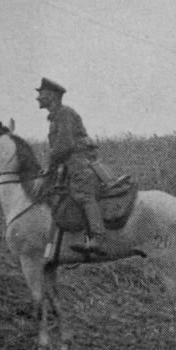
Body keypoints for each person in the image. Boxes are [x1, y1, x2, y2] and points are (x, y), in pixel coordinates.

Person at [36, 77, 115, 255]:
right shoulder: (57, 117)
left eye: (41, 94)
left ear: (52, 96)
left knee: (84, 195)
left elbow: (64, 145)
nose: (38, 98)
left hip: (79, 165)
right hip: (72, 165)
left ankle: (98, 238)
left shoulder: (64, 114)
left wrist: (49, 165)